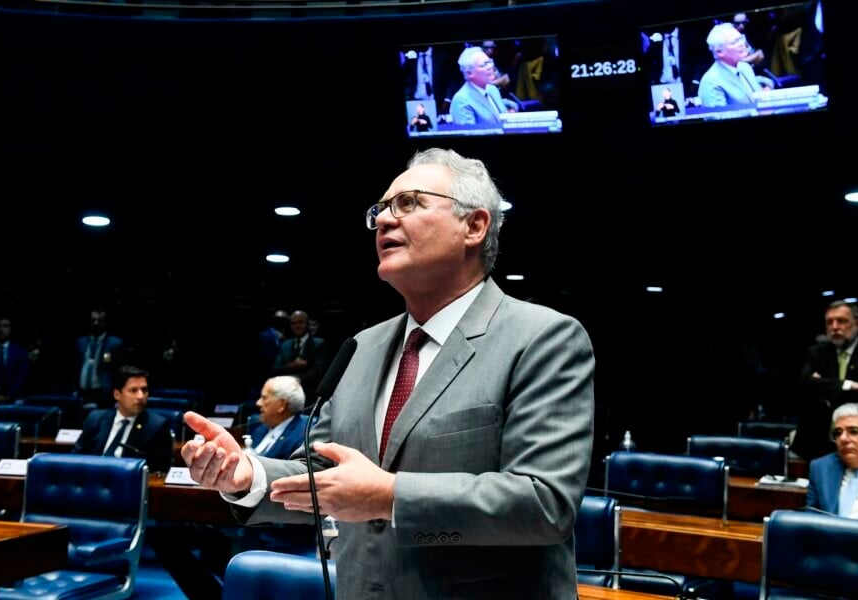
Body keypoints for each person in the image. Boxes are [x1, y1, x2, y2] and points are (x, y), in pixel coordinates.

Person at [181, 147, 595, 599]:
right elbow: (327, 474)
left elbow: (544, 504)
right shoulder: (361, 347)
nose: (382, 221)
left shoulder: (543, 338)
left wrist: (388, 495)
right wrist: (247, 475)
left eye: (409, 203)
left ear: (474, 226)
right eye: (379, 210)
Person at [792, 301, 858, 461]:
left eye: (842, 321)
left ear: (857, 324)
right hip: (815, 441)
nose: (835, 327)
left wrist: (823, 387)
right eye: (829, 322)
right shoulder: (816, 353)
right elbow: (803, 385)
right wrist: (847, 385)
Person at [73, 364, 173, 473]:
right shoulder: (95, 419)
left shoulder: (157, 426)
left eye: (144, 390)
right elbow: (75, 458)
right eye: (133, 390)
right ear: (117, 394)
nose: (140, 396)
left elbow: (160, 471)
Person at [807, 402, 858, 522]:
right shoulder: (821, 468)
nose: (843, 439)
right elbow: (810, 519)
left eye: (854, 431)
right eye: (837, 433)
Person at [272, 310, 329, 409]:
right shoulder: (285, 345)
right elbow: (276, 369)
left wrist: (295, 378)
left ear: (307, 323)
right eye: (293, 323)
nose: (297, 325)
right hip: (287, 395)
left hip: (310, 395)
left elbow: (319, 371)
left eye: (301, 322)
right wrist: (292, 365)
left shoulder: (319, 344)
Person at [697, 22, 761, 108]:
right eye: (734, 42)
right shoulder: (710, 81)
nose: (742, 44)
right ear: (719, 52)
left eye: (741, 38)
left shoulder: (744, 67)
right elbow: (720, 118)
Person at [75, 308, 126, 408]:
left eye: (99, 320)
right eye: (93, 320)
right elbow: (74, 367)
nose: (96, 323)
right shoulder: (81, 342)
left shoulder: (115, 344)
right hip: (82, 392)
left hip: (103, 393)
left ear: (105, 322)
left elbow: (119, 372)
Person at [248, 375, 309, 459]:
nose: (258, 403)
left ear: (281, 405)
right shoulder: (259, 428)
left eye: (264, 398)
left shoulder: (302, 438)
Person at [449, 46, 508, 126]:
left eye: (489, 62)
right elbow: (469, 135)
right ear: (469, 73)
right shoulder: (461, 100)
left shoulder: (492, 89)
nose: (490, 67)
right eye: (484, 65)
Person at [0, 316, 29, 407]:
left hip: (14, 400)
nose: (1, 329)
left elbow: (22, 376)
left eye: (5, 326)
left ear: (10, 329)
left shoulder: (20, 352)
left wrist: (10, 396)